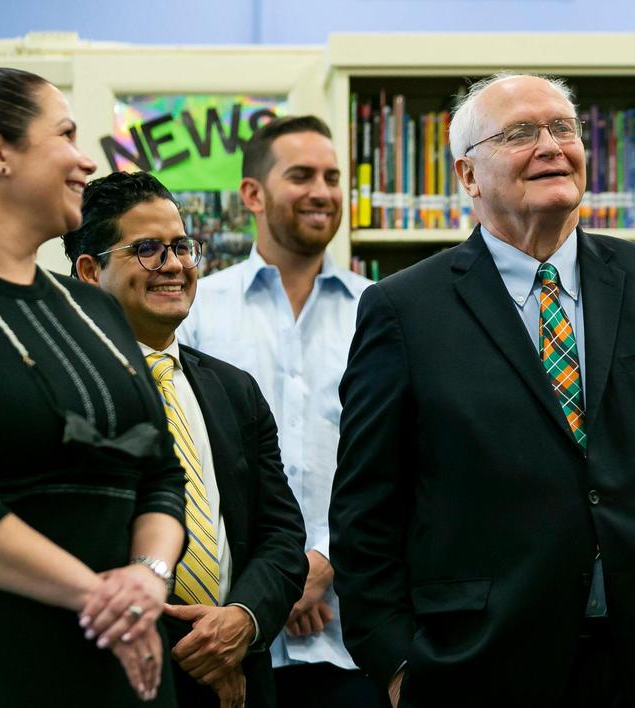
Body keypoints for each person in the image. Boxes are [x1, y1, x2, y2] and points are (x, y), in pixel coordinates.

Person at [329, 73, 635, 708]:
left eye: (564, 129)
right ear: (467, 176)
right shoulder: (404, 309)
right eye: (521, 133)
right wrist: (398, 664)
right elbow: (366, 514)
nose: (551, 146)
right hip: (479, 667)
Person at [0, 44, 187, 706]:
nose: (87, 161)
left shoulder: (97, 310)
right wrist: (99, 594)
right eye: (68, 135)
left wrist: (147, 576)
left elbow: (161, 473)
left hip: (120, 663)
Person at [63, 171, 310, 708]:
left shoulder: (232, 388)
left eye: (181, 247)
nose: (174, 265)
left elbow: (282, 534)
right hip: (114, 679)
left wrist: (241, 620)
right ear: (89, 270)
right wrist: (197, 650)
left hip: (241, 676)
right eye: (148, 250)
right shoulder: (60, 389)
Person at [178, 116, 380, 707]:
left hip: (350, 635)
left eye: (333, 176)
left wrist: (322, 562)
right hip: (223, 636)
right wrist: (268, 587)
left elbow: (401, 457)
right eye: (302, 175)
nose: (323, 190)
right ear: (252, 195)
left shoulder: (379, 310)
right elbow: (186, 459)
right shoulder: (197, 312)